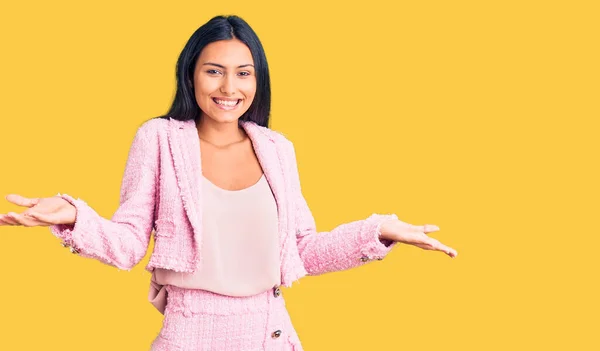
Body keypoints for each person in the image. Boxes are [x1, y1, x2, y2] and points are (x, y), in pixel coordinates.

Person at [0, 15, 457, 351]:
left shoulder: (277, 149)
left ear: (258, 80)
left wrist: (377, 231)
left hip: (270, 333)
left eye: (244, 73)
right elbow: (127, 244)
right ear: (191, 74)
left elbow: (301, 252)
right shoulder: (158, 139)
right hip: (188, 333)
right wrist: (75, 215)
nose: (228, 87)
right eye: (213, 70)